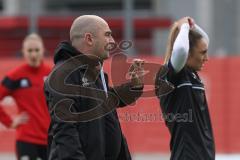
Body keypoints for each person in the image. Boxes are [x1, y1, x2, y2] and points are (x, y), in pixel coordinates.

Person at [44, 15, 144, 160]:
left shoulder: (94, 72)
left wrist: (135, 86)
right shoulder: (63, 75)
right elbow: (65, 130)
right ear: (89, 39)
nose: (112, 41)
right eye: (107, 35)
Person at [155, 17, 215, 160]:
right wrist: (184, 27)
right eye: (202, 53)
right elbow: (181, 49)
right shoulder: (170, 75)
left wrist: (192, 25)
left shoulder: (190, 73)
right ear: (188, 53)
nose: (206, 58)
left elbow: (204, 39)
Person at [0, 33, 51, 160]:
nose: (33, 54)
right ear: (23, 51)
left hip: (50, 139)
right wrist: (10, 122)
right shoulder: (15, 76)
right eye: (29, 50)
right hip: (26, 139)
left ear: (43, 50)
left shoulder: (52, 74)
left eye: (37, 50)